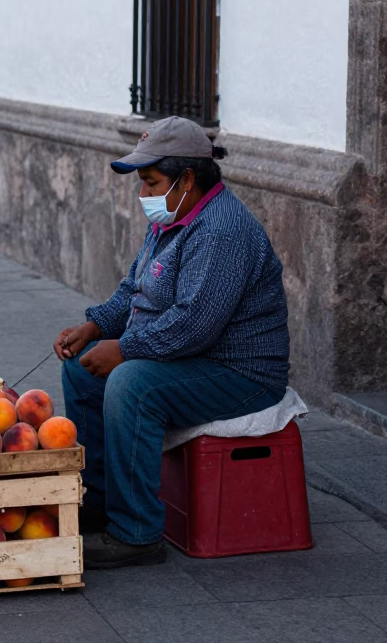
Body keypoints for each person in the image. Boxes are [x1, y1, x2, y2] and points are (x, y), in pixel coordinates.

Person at [56, 116, 289, 569]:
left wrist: (123, 349)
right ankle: (99, 502)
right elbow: (136, 287)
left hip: (240, 372)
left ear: (186, 179)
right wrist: (97, 327)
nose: (143, 194)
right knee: (80, 368)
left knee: (131, 384)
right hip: (193, 355)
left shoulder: (221, 231)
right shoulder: (175, 217)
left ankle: (137, 532)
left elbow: (195, 324)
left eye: (150, 182)